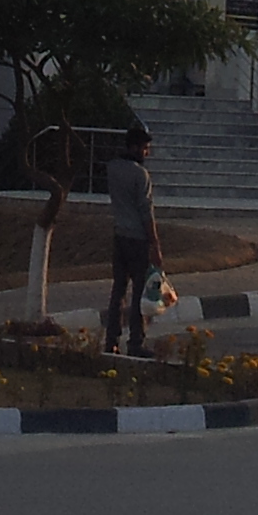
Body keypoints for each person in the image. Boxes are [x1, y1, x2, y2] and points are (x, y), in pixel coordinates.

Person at [104, 124, 161, 357]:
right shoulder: (141, 175)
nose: (146, 153)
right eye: (144, 148)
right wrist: (155, 244)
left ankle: (111, 340)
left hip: (119, 235)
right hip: (138, 239)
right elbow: (146, 212)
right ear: (134, 147)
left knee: (118, 290)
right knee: (139, 292)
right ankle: (136, 342)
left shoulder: (112, 168)